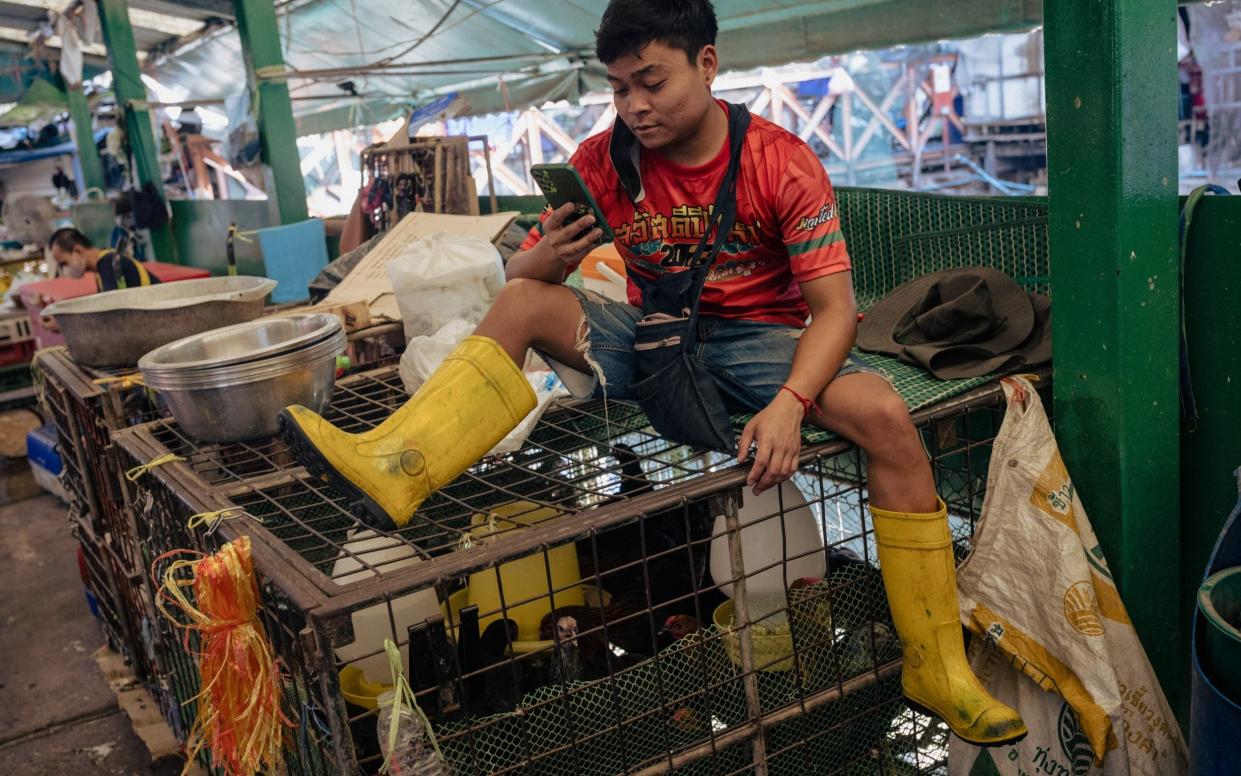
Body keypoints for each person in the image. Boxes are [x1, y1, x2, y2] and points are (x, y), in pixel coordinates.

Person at [279, 0, 1026, 746]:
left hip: (762, 339)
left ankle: (934, 663)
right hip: (655, 339)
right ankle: (396, 467)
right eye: (617, 88)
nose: (633, 105)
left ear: (706, 64)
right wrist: (539, 261)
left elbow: (833, 311)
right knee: (520, 299)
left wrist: (791, 403)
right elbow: (528, 274)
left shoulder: (778, 160)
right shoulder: (602, 163)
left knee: (888, 418)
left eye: (651, 81)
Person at [47, 227, 161, 291]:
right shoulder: (103, 267)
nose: (65, 269)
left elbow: (112, 314)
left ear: (77, 251)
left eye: (64, 263)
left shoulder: (109, 263)